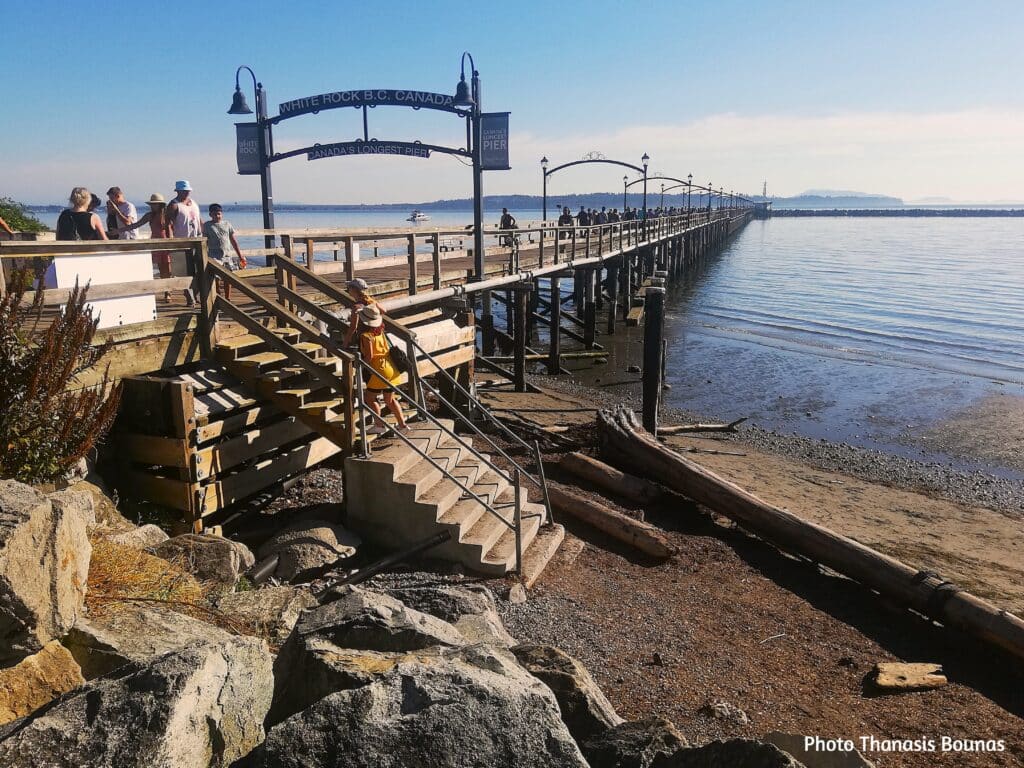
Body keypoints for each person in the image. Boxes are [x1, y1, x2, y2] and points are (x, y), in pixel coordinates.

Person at [358, 304, 409, 435]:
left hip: (379, 369)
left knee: (370, 398)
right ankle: (402, 425)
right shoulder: (380, 331)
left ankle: (379, 425)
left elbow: (369, 357)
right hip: (391, 367)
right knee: (390, 399)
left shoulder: (366, 336)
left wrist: (359, 365)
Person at [166, 180, 202, 305]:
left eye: (188, 191)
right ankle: (189, 298)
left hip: (196, 241)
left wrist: (204, 234)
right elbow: (168, 224)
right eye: (184, 191)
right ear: (178, 191)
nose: (187, 193)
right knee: (182, 272)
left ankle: (196, 295)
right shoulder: (173, 205)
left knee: (198, 270)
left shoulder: (194, 203)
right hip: (181, 242)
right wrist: (171, 240)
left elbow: (199, 220)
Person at [202, 203, 245, 301]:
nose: (217, 216)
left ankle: (228, 297)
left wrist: (240, 255)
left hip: (227, 255)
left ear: (222, 214)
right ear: (210, 215)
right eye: (215, 214)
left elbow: (233, 241)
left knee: (228, 277)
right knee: (216, 277)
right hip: (214, 255)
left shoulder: (227, 224)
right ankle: (217, 294)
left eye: (219, 214)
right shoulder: (207, 225)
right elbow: (205, 241)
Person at [343, 277, 377, 347]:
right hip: (376, 336)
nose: (348, 289)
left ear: (353, 290)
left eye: (349, 287)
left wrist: (345, 344)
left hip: (366, 339)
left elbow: (353, 327)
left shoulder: (356, 307)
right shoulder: (370, 301)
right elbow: (383, 311)